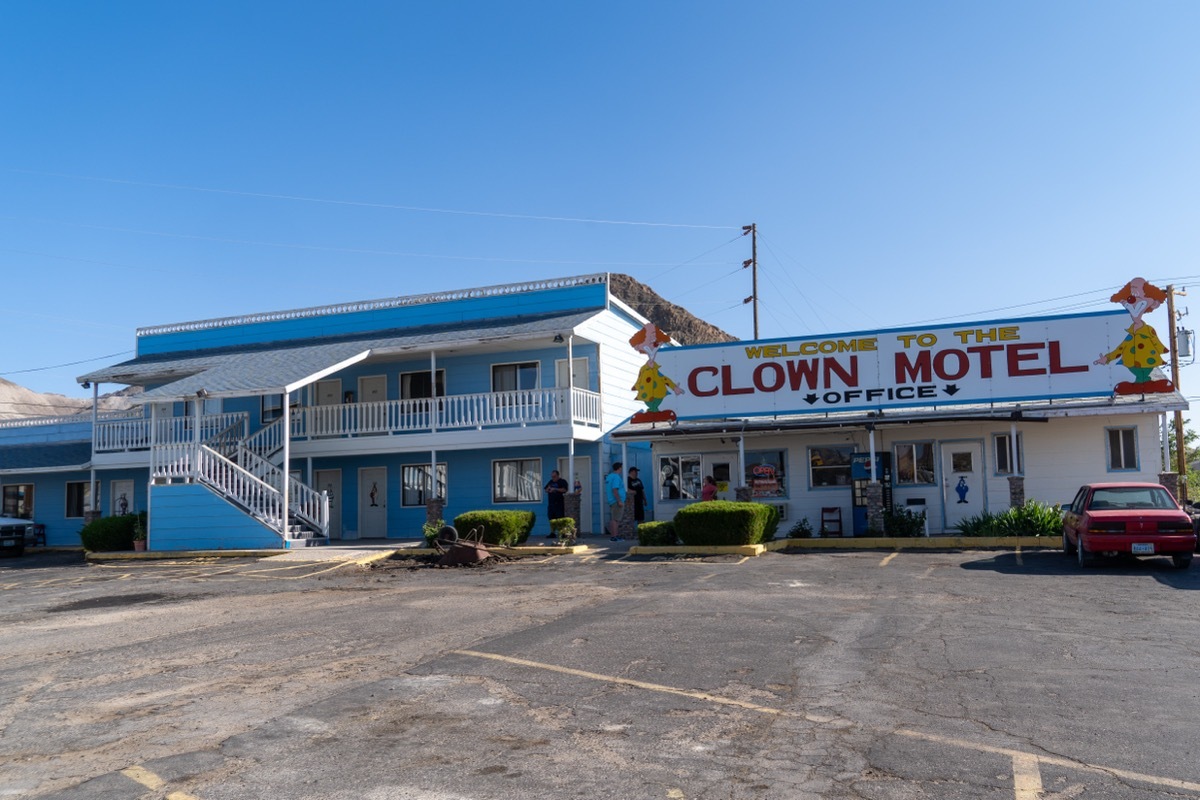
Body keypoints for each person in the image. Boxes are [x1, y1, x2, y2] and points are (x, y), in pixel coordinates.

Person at [543, 470, 569, 537]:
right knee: (551, 518)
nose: (553, 478)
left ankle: (563, 533)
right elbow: (546, 489)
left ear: (558, 476)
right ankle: (552, 533)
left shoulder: (562, 481)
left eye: (554, 477)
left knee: (560, 518)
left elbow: (564, 490)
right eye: (552, 477)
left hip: (559, 504)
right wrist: (548, 489)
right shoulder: (550, 482)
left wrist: (555, 489)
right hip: (551, 504)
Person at [605, 462, 627, 540]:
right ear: (619, 468)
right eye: (621, 467)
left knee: (614, 518)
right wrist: (619, 500)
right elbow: (615, 489)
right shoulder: (616, 477)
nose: (622, 469)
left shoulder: (609, 476)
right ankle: (614, 536)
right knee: (616, 520)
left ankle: (614, 536)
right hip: (616, 501)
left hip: (611, 500)